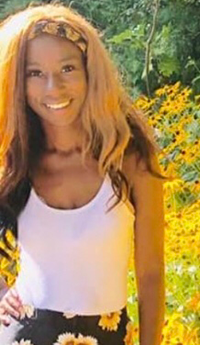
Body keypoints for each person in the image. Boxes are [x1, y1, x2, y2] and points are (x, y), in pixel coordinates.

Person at [0, 2, 166, 345]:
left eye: (67, 68)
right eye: (34, 73)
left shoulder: (130, 161)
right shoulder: (15, 161)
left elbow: (151, 276)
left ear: (91, 72)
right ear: (17, 82)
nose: (53, 88)